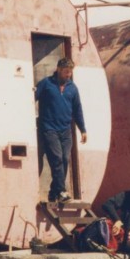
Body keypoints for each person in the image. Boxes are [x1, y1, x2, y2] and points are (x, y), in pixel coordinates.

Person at [35, 57, 87, 203]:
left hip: (65, 130)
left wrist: (82, 129)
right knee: (57, 158)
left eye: (70, 72)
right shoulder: (46, 84)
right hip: (49, 128)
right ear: (58, 69)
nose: (68, 75)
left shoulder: (72, 88)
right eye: (65, 72)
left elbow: (77, 110)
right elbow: (30, 98)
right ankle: (62, 191)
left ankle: (53, 192)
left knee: (65, 159)